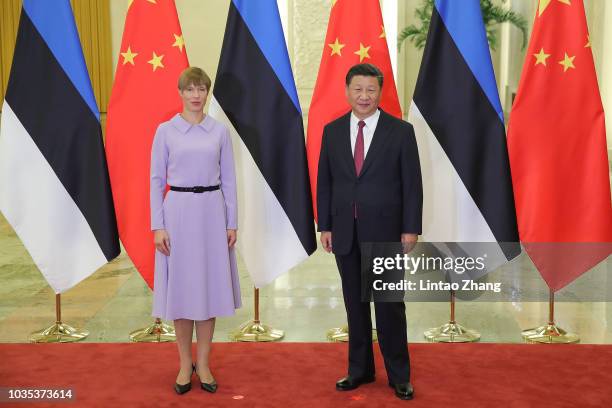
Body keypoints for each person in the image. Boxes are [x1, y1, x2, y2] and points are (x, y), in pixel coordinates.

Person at [317, 63, 422, 400]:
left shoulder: (400, 131)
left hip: (387, 231)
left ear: (380, 92)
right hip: (345, 230)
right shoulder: (332, 131)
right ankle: (359, 369)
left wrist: (410, 228)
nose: (364, 95)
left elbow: (412, 184)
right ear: (347, 91)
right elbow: (325, 182)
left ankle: (399, 375)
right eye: (358, 89)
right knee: (355, 303)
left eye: (371, 90)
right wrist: (326, 225)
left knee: (390, 305)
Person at [150, 67, 241, 395]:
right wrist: (157, 225)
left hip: (211, 214)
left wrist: (231, 222)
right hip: (178, 213)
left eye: (201, 89)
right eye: (190, 89)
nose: (196, 95)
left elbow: (229, 179)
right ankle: (184, 362)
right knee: (183, 290)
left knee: (208, 289)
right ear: (180, 93)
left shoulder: (219, 132)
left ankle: (203, 362)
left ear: (207, 93)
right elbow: (156, 181)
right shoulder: (166, 131)